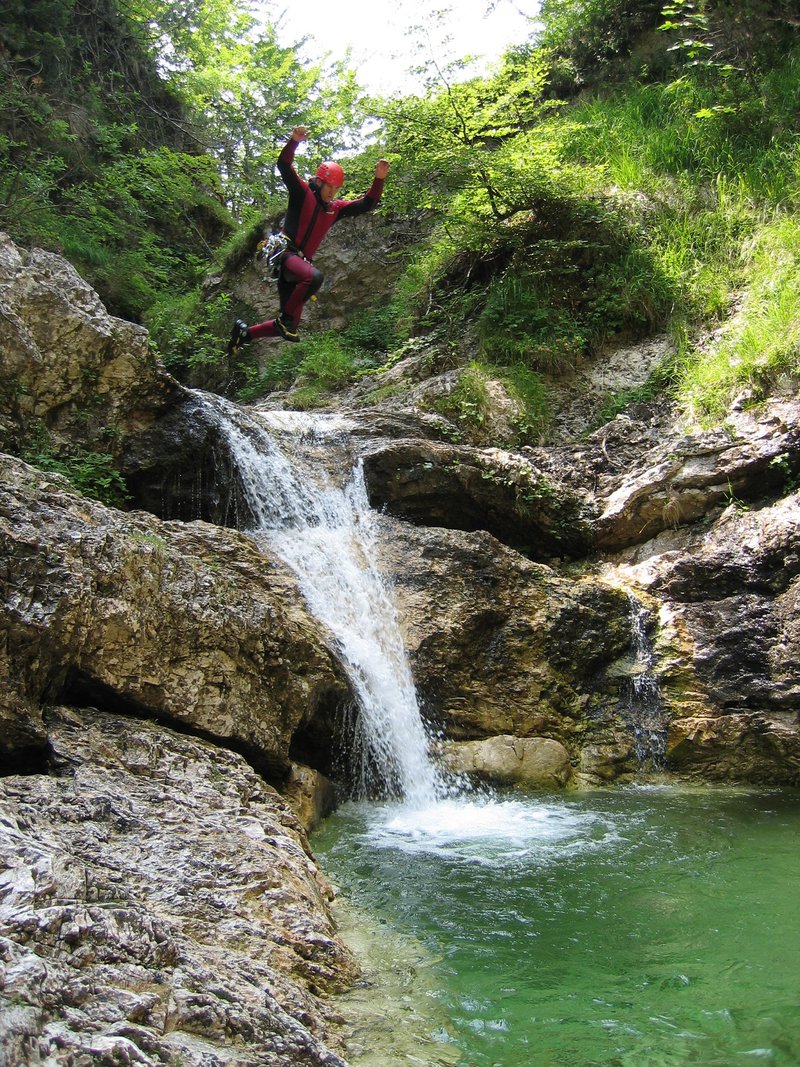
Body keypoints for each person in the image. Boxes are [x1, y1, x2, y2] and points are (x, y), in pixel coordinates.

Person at [226, 126, 391, 354]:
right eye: (329, 186)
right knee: (314, 277)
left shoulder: (335, 209)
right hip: (286, 255)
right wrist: (293, 142)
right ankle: (282, 320)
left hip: (299, 266)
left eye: (336, 188)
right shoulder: (302, 193)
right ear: (320, 182)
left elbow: (367, 204)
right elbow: (284, 166)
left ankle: (245, 333)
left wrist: (379, 180)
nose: (332, 192)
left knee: (289, 325)